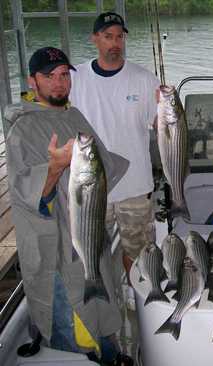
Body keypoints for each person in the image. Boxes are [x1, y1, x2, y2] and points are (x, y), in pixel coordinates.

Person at [4, 47, 133, 365]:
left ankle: (109, 352)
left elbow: (103, 168)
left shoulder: (72, 115)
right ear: (32, 81)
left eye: (64, 75)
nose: (59, 83)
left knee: (100, 302)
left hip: (86, 232)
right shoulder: (22, 129)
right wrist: (55, 166)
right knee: (76, 326)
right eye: (49, 76)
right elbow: (28, 196)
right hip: (57, 247)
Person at [69, 12, 160, 286]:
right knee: (93, 252)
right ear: (94, 39)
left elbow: (160, 125)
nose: (115, 43)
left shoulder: (145, 79)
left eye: (119, 36)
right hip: (92, 187)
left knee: (139, 251)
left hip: (135, 186)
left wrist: (169, 109)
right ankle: (104, 304)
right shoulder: (75, 78)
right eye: (108, 36)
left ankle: (137, 297)